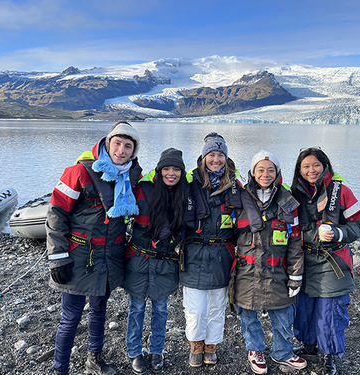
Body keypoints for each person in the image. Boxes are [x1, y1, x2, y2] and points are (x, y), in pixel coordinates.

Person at [46, 121, 142, 375]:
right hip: (79, 257)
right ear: (107, 143)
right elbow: (56, 213)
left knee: (99, 311)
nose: (121, 150)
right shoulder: (79, 172)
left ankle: (94, 359)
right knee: (71, 318)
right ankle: (60, 369)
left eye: (128, 146)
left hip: (110, 257)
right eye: (117, 143)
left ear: (134, 150)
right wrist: (58, 257)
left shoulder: (133, 174)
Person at [290, 147, 360, 375]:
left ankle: (331, 355)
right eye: (306, 166)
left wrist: (338, 234)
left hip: (332, 261)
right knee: (304, 308)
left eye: (316, 165)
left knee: (330, 312)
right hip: (303, 260)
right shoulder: (293, 193)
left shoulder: (341, 191)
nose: (311, 170)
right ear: (299, 169)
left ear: (325, 166)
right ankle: (309, 346)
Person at [231, 151, 307, 374]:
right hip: (247, 269)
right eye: (260, 169)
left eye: (270, 169)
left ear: (277, 173)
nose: (265, 174)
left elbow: (295, 242)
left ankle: (282, 352)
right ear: (253, 173)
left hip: (278, 270)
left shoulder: (288, 202)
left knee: (284, 314)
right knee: (247, 314)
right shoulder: (239, 199)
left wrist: (295, 275)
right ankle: (255, 350)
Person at [123, 148, 192, 374]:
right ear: (159, 170)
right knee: (137, 308)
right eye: (166, 169)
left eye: (176, 169)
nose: (171, 173)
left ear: (181, 172)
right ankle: (134, 352)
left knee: (161, 309)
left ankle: (156, 350)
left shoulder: (185, 194)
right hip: (139, 259)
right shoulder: (143, 188)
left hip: (165, 261)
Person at [179, 132, 242, 367]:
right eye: (211, 154)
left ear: (226, 157)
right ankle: (195, 343)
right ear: (204, 156)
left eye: (220, 155)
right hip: (194, 251)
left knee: (217, 305)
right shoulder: (189, 182)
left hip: (222, 254)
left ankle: (211, 345)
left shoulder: (235, 186)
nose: (216, 159)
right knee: (195, 307)